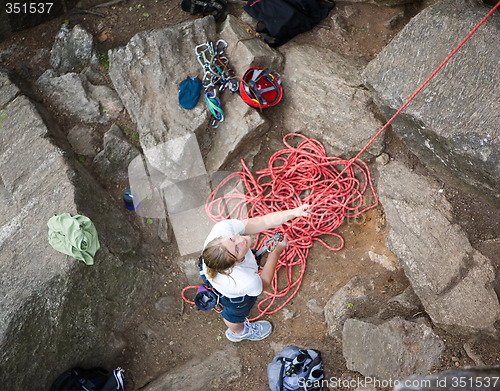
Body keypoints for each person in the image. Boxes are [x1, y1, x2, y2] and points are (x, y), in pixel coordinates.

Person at [200, 204, 312, 342]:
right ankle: (238, 332)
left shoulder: (222, 229)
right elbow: (264, 283)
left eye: (232, 239)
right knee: (233, 314)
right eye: (236, 250)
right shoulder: (246, 281)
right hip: (232, 297)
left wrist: (294, 212)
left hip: (207, 271)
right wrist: (276, 251)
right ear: (235, 264)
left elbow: (264, 221)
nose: (242, 240)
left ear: (221, 238)